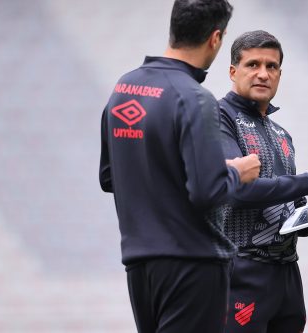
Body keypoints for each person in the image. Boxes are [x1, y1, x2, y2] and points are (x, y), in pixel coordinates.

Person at [98, 1, 262, 332]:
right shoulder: (193, 97)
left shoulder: (123, 88)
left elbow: (109, 177)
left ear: (174, 27)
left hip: (140, 265)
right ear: (216, 38)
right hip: (192, 264)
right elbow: (207, 191)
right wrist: (236, 172)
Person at [216, 30, 308, 333]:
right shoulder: (218, 115)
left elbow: (291, 216)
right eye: (253, 65)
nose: (263, 74)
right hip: (240, 270)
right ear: (233, 71)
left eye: (272, 66)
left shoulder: (281, 134)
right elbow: (236, 190)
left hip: (287, 274)